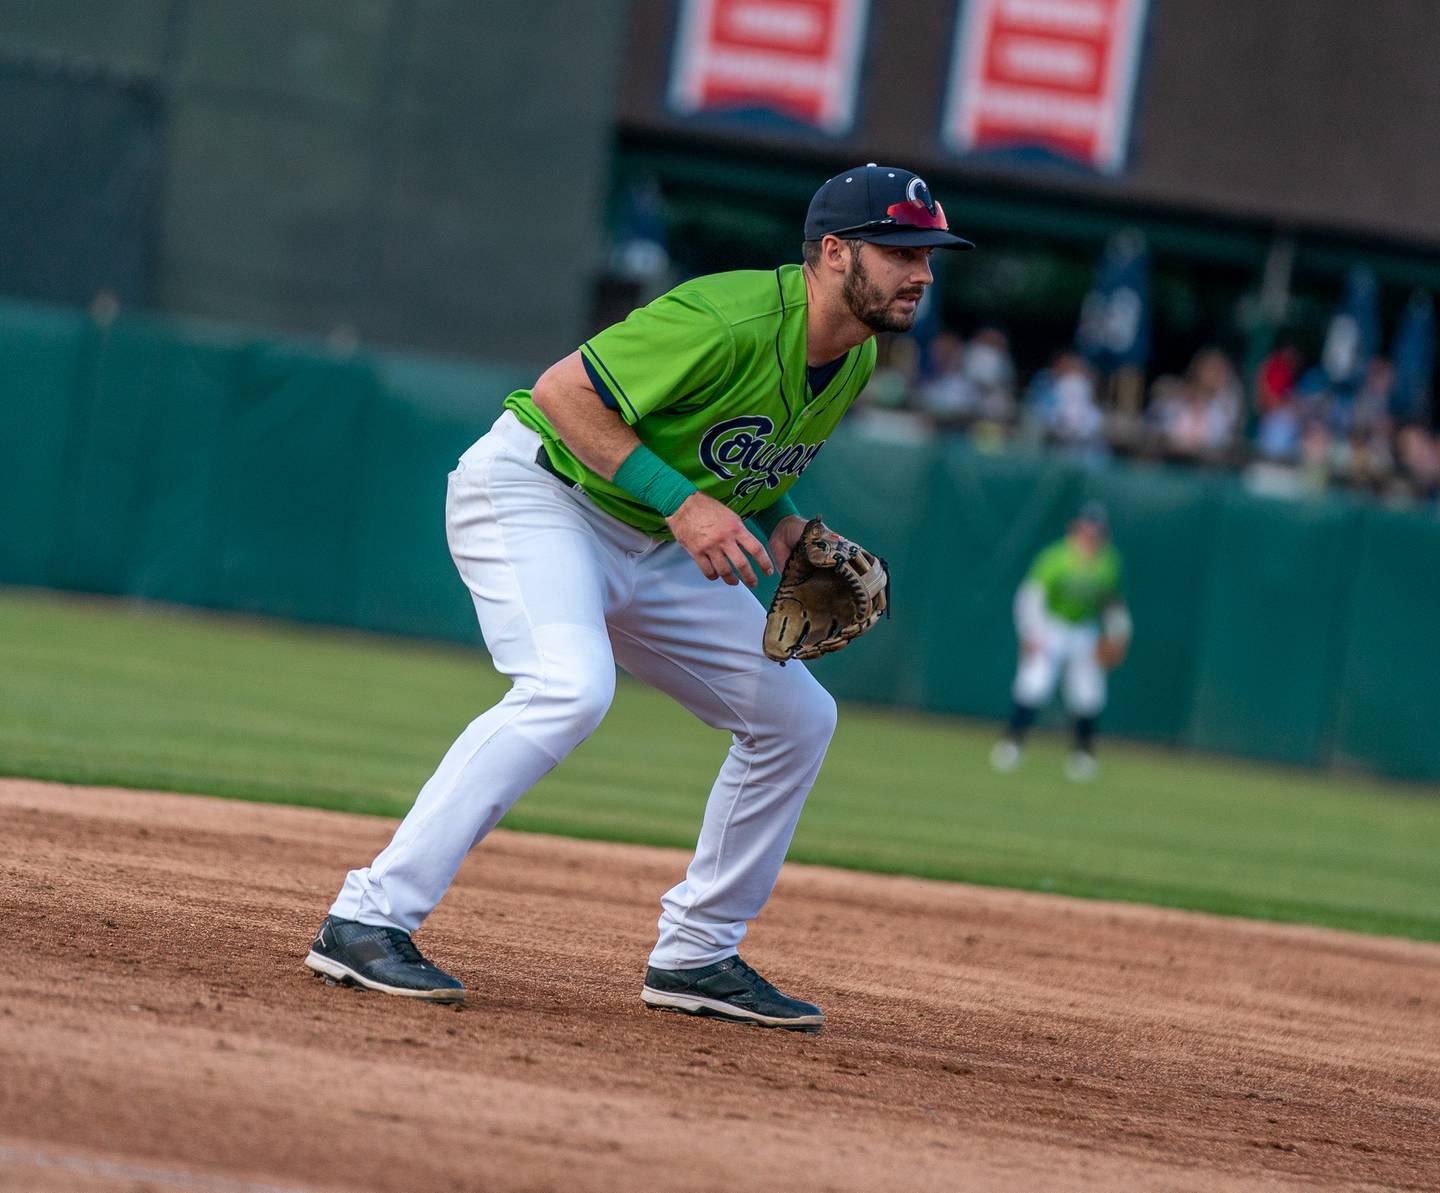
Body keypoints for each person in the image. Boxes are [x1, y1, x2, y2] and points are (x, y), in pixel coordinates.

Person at [304, 164, 974, 1031]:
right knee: (568, 687)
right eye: (900, 250)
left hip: (652, 539)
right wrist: (685, 504)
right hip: (537, 494)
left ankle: (697, 953)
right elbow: (562, 394)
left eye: (930, 252)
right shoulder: (725, 317)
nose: (922, 270)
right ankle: (367, 916)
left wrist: (780, 522)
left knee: (797, 718)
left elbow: (730, 456)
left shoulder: (853, 359)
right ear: (834, 251)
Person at [990, 502, 1130, 782]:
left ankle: (1083, 753)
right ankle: (1012, 744)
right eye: (1086, 529)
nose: (1090, 536)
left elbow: (1113, 603)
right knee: (1035, 682)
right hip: (1051, 625)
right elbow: (1030, 597)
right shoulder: (1055, 557)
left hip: (1084, 630)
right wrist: (1031, 633)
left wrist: (1118, 636)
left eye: (1095, 531)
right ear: (1075, 529)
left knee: (1088, 692)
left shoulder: (1109, 562)